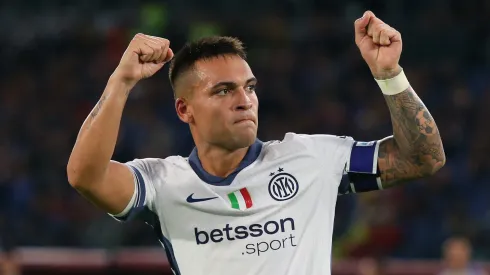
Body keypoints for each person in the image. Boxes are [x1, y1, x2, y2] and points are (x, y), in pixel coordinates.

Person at [67, 10, 445, 275]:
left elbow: (423, 159)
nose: (244, 99)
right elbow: (85, 175)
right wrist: (121, 81)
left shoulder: (312, 158)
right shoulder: (162, 183)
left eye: (249, 88)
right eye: (224, 90)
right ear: (185, 109)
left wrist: (390, 75)